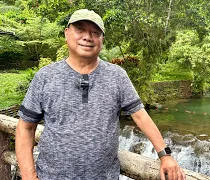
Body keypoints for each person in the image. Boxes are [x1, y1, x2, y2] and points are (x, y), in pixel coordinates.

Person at [15, 9, 186, 180]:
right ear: (66, 33)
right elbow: (25, 128)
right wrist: (29, 176)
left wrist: (165, 155)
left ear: (102, 40)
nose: (87, 37)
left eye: (95, 32)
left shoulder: (116, 76)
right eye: (80, 29)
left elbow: (141, 116)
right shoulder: (45, 77)